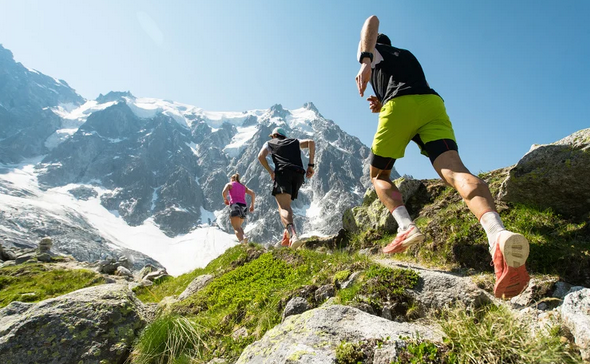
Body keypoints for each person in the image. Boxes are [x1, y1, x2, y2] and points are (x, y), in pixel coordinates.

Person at [355, 15, 529, 299]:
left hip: (400, 107)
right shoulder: (405, 55)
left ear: (374, 46)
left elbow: (370, 21)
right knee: (455, 171)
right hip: (432, 105)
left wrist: (364, 59)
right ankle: (497, 234)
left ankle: (405, 227)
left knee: (378, 176)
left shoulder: (372, 51)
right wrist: (381, 100)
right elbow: (401, 85)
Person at [258, 127, 315, 249]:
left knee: (283, 207)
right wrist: (310, 165)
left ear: (274, 136)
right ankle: (286, 236)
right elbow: (311, 142)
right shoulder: (294, 142)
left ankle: (293, 235)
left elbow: (260, 156)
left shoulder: (270, 143)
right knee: (285, 205)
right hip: (299, 174)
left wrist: (270, 171)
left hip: (283, 173)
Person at [222, 173, 256, 244]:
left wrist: (225, 199)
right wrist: (252, 205)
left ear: (232, 179)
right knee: (239, 226)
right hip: (244, 206)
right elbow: (253, 193)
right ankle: (244, 237)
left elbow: (224, 192)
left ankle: (242, 242)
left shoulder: (229, 184)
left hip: (235, 205)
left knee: (236, 228)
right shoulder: (243, 186)